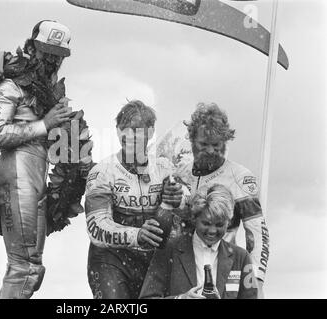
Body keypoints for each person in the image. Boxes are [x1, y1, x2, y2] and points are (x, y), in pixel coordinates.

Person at [0, 20, 74, 299]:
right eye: (46, 51)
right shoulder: (10, 86)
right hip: (15, 176)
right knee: (23, 269)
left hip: (36, 179)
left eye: (57, 55)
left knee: (32, 270)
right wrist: (45, 125)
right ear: (31, 47)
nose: (51, 60)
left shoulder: (50, 95)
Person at [84, 100, 183, 299]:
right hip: (112, 260)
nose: (129, 136)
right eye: (124, 129)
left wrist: (180, 198)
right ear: (117, 131)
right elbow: (96, 227)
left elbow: (187, 209)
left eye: (137, 130)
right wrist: (136, 235)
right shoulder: (102, 172)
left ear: (151, 131)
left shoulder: (164, 168)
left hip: (154, 261)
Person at [174, 102, 269, 297]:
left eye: (216, 145)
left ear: (225, 142)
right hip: (183, 268)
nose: (210, 150)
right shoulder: (180, 174)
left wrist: (256, 280)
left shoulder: (240, 177)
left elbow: (257, 235)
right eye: (204, 144)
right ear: (191, 140)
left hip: (223, 269)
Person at [139, 184, 258, 299]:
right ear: (194, 219)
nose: (212, 231)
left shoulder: (241, 258)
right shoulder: (168, 250)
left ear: (229, 222)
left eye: (219, 225)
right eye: (206, 223)